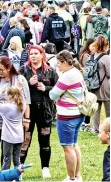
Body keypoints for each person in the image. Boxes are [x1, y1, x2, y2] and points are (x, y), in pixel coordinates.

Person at [19, 45, 58, 179]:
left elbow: (58, 88)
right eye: (31, 54)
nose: (33, 56)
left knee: (45, 140)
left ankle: (45, 168)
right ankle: (19, 170)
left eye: (36, 53)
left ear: (42, 55)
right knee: (25, 140)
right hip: (27, 112)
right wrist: (28, 83)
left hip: (45, 110)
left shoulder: (51, 71)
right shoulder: (23, 70)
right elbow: (15, 89)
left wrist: (46, 88)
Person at [49, 50, 85, 182]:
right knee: (74, 145)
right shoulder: (76, 72)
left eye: (58, 63)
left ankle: (71, 178)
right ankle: (77, 175)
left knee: (67, 147)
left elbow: (52, 95)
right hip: (78, 113)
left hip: (67, 115)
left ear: (64, 62)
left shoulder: (66, 76)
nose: (57, 66)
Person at [0, 86, 26, 170]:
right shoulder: (22, 105)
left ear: (10, 96)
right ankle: (18, 177)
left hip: (8, 137)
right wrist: (19, 90)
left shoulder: (7, 107)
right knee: (17, 159)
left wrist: (0, 92)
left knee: (7, 159)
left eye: (6, 95)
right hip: (19, 136)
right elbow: (22, 98)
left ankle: (5, 177)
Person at [88, 36, 110, 134]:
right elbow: (109, 74)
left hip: (93, 86)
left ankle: (96, 129)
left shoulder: (91, 56)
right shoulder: (106, 57)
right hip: (105, 87)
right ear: (106, 45)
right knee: (109, 110)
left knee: (96, 109)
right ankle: (109, 129)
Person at [98, 117, 110, 182]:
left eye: (100, 132)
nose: (98, 135)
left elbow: (108, 176)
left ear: (108, 135)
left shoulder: (109, 154)